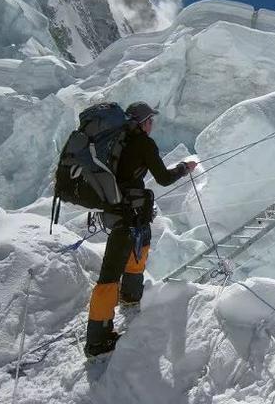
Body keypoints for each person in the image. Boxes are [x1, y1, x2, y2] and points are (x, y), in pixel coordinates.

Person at [84, 101, 197, 357]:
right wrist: (184, 168)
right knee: (109, 275)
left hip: (118, 211)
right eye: (150, 120)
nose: (152, 124)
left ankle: (131, 295)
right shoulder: (143, 143)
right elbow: (163, 178)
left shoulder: (115, 142)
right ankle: (97, 340)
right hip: (130, 214)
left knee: (140, 248)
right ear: (143, 122)